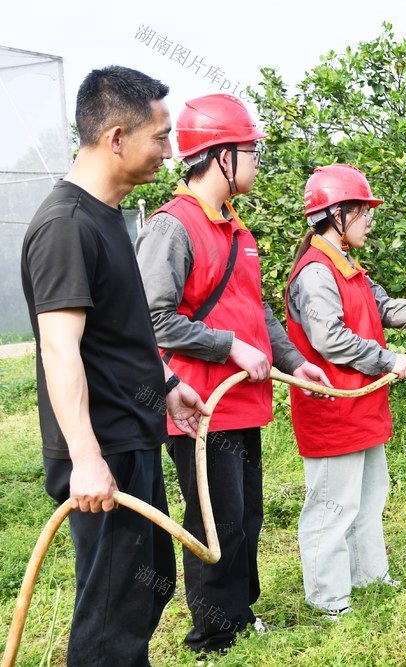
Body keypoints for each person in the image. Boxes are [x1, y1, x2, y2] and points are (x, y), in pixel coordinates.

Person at [20, 65, 209, 667]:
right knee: (111, 614)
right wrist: (86, 461)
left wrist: (169, 384)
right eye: (161, 136)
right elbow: (60, 349)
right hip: (101, 449)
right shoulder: (66, 227)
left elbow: (116, 337)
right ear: (117, 137)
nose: (170, 152)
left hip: (133, 433)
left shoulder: (109, 217)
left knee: (145, 584)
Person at [134, 93, 330, 655]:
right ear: (221, 156)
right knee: (215, 519)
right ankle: (214, 635)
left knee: (246, 514)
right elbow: (153, 319)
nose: (257, 162)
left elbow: (256, 312)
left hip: (244, 404)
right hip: (200, 406)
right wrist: (229, 348)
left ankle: (240, 615)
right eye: (250, 151)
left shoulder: (237, 230)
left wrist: (294, 361)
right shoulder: (174, 228)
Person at [284, 164, 406, 620]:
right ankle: (329, 598)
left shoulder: (348, 266)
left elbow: (384, 307)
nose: (369, 220)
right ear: (337, 214)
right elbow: (330, 340)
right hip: (332, 409)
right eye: (364, 211)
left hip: (362, 407)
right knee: (332, 505)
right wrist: (390, 360)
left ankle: (369, 576)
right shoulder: (315, 273)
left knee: (369, 497)